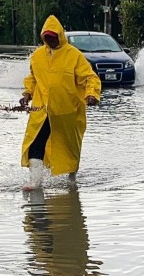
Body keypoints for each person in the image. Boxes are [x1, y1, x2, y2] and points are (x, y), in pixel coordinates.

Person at [19, 16, 101, 191]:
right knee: (35, 141)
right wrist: (27, 94)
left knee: (70, 146)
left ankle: (72, 176)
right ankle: (35, 181)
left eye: (53, 37)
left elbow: (90, 77)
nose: (50, 40)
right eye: (46, 37)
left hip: (67, 111)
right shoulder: (37, 56)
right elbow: (33, 78)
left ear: (60, 36)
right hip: (42, 110)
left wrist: (92, 94)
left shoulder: (74, 55)